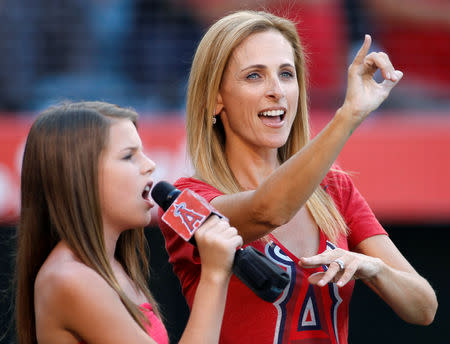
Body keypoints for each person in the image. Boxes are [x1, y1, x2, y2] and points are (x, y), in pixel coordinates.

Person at [158, 10, 438, 344]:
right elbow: (269, 210)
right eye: (254, 76)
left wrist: (375, 269)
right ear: (215, 98)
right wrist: (347, 116)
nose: (277, 90)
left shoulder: (334, 187)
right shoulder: (184, 201)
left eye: (286, 74)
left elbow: (424, 308)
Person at [14, 101, 243, 344]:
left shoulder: (111, 266)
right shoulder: (69, 278)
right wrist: (214, 275)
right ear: (80, 177)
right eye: (128, 156)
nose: (150, 165)